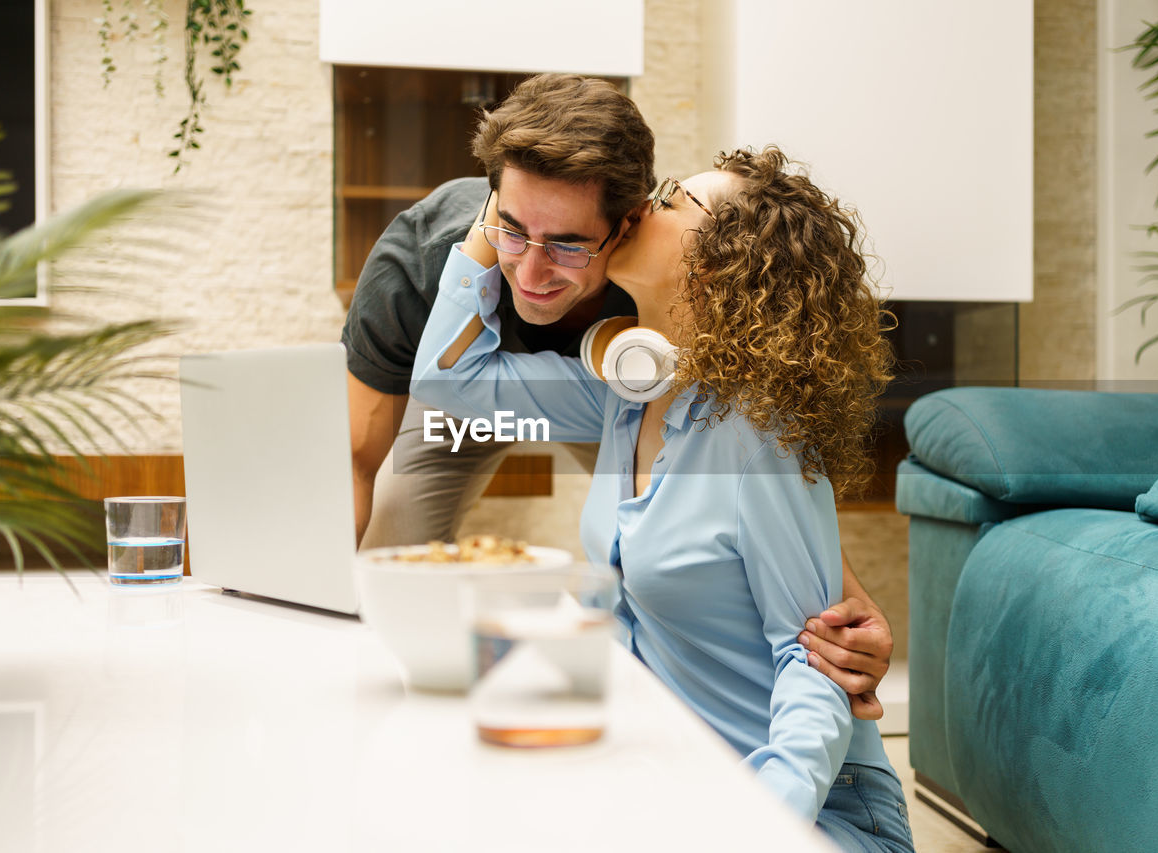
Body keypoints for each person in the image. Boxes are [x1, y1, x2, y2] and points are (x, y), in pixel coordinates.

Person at [341, 73, 893, 719]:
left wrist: (839, 602)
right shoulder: (421, 259)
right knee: (396, 535)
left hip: (602, 389)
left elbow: (749, 455)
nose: (532, 270)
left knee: (655, 553)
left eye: (569, 244)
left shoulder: (654, 264)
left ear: (629, 221)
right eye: (514, 231)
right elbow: (368, 449)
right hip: (468, 381)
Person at [409, 146, 913, 850]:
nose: (646, 205)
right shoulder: (627, 393)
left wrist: (754, 826)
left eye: (674, 199)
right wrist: (507, 208)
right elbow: (445, 378)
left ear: (723, 261)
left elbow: (815, 663)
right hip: (677, 795)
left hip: (809, 810)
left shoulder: (753, 434)